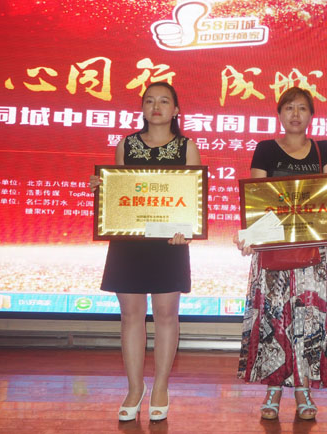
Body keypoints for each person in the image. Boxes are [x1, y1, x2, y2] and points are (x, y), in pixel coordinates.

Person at [234, 87, 327, 420]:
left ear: (311, 115)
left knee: (309, 319)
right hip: (275, 249)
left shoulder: (324, 149)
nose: (295, 114)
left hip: (312, 248)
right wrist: (249, 236)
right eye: (289, 108)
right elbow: (258, 200)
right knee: (274, 319)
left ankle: (303, 389)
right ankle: (273, 388)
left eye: (302, 108)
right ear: (279, 114)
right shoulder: (265, 149)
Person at [89, 82, 201, 422]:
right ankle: (134, 388)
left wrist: (187, 232)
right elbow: (120, 194)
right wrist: (102, 189)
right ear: (142, 109)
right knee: (130, 316)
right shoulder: (126, 145)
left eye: (164, 101)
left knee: (166, 314)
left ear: (176, 110)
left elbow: (192, 197)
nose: (156, 106)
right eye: (150, 101)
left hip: (169, 244)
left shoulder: (187, 147)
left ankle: (161, 387)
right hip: (130, 242)